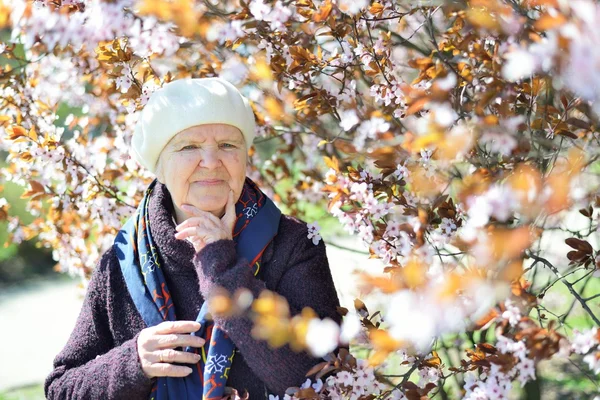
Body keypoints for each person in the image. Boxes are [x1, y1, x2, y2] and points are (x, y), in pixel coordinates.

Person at [44, 78, 341, 399]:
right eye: (189, 147)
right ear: (159, 165)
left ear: (244, 156)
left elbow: (325, 378)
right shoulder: (122, 262)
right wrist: (133, 362)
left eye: (228, 145)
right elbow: (61, 388)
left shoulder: (293, 243)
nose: (212, 161)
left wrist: (221, 267)